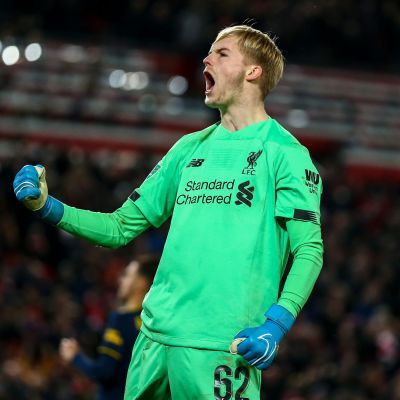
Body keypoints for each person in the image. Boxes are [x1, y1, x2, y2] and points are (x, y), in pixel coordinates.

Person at [13, 24, 324, 400]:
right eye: (209, 51)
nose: (206, 59)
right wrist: (47, 207)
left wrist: (276, 324)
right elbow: (120, 227)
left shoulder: (285, 154)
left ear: (252, 71)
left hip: (221, 344)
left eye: (222, 53)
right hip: (153, 338)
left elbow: (309, 249)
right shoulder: (187, 149)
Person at [59, 255, 158, 400]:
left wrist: (75, 357)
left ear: (141, 283)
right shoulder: (152, 324)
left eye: (127, 275)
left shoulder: (121, 320)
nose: (121, 280)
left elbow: (104, 372)